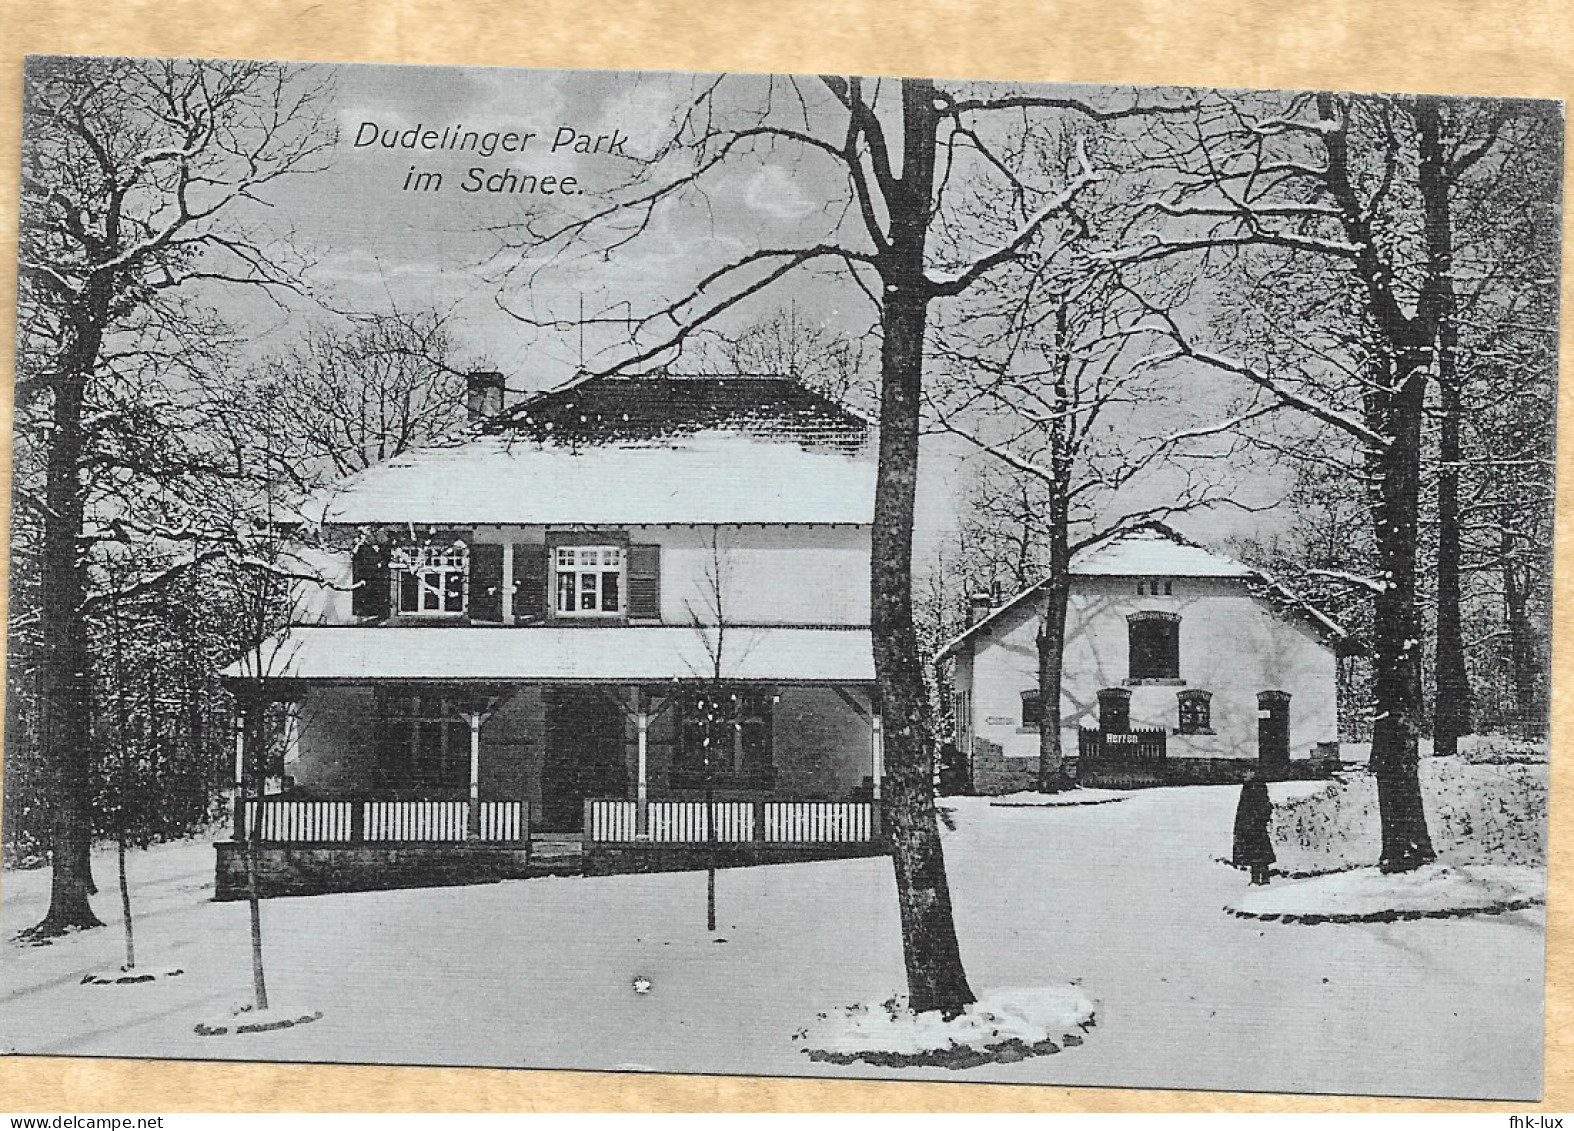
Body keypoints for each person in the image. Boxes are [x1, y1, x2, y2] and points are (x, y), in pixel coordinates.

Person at [1232, 771, 1275, 885]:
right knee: (1253, 854)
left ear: (1253, 773)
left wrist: (1256, 819)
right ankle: (1255, 879)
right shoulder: (1248, 787)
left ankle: (1264, 879)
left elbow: (1264, 805)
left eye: (1246, 772)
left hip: (1255, 826)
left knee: (1260, 853)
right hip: (1248, 825)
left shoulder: (1257, 787)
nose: (1243, 774)